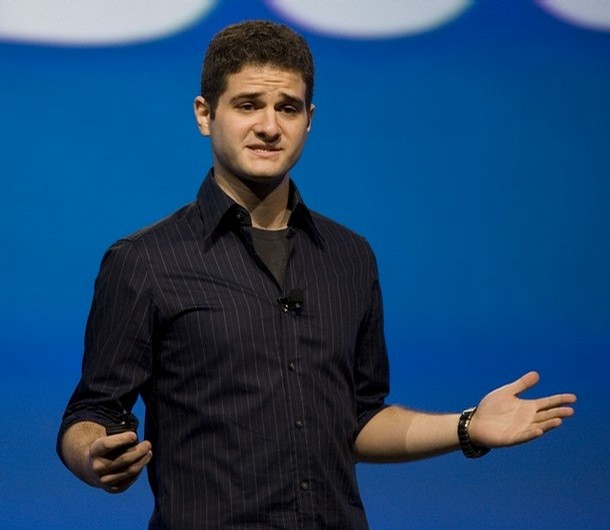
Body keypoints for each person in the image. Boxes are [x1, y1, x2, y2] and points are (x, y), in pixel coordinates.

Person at [57, 20, 576, 529]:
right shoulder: (145, 261)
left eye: (287, 107)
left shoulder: (349, 256)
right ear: (204, 114)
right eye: (248, 105)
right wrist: (93, 455)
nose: (269, 126)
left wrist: (467, 426)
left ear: (309, 119)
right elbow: (91, 412)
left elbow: (360, 419)